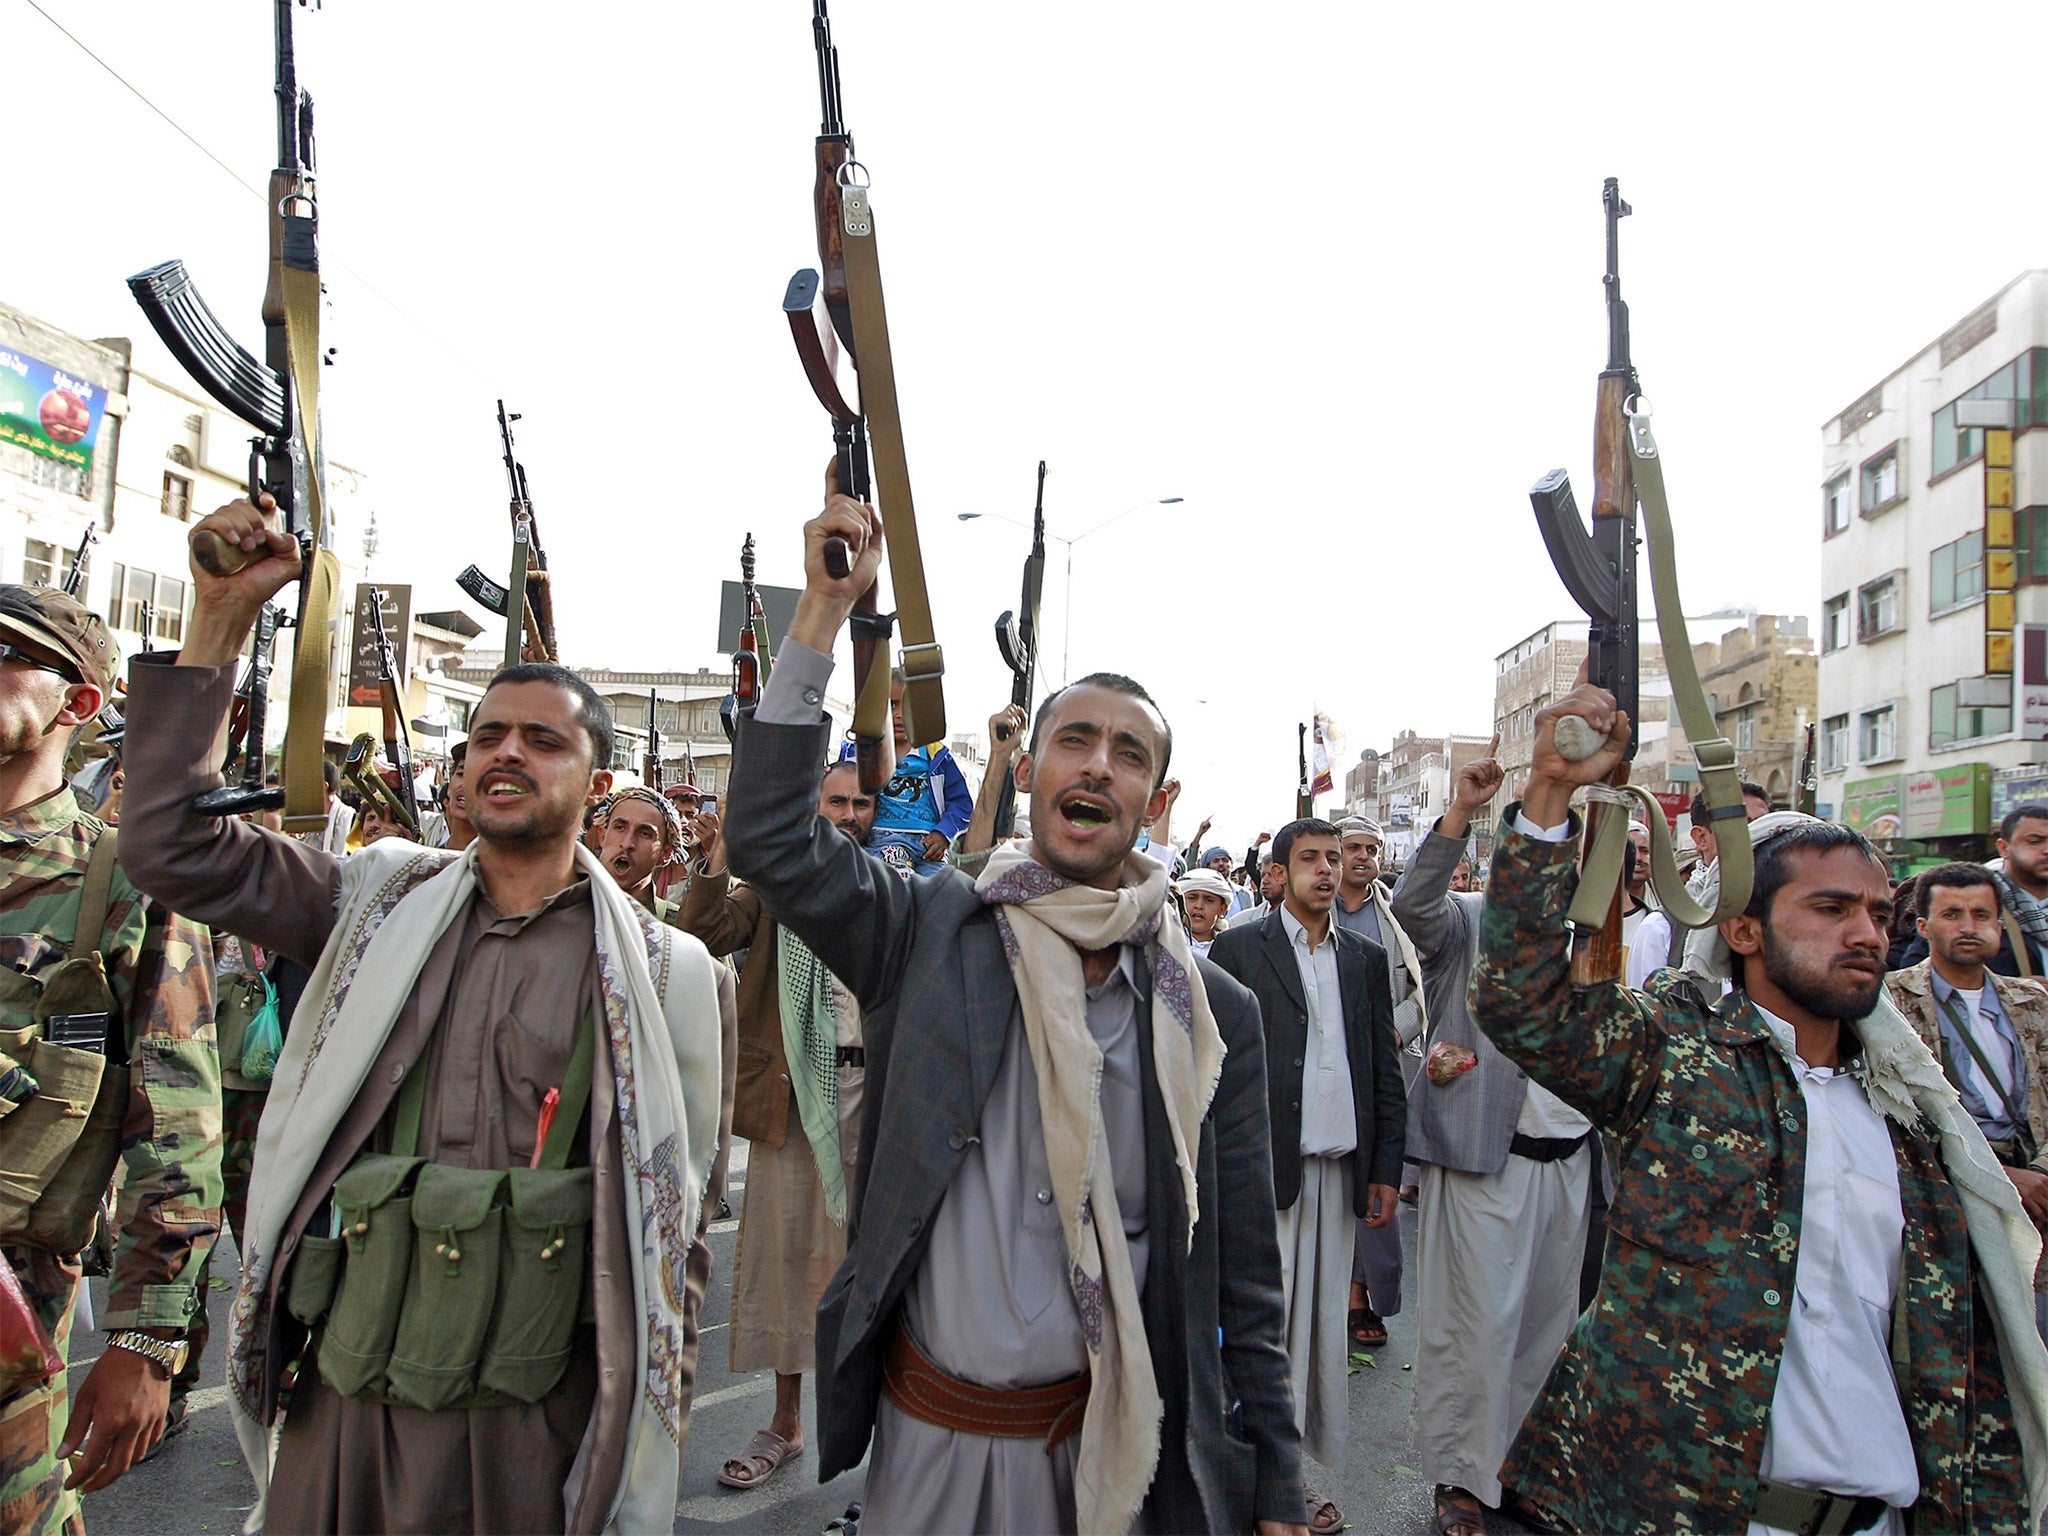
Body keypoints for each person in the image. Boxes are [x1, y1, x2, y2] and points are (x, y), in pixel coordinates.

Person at [119, 496, 724, 1534]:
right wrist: (217, 624)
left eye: (542, 740)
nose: (506, 753)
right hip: (350, 1406)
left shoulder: (668, 973)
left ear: (598, 780)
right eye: (488, 735)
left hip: (531, 1430)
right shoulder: (371, 900)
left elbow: (676, 1226)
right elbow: (171, 848)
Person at [723, 483, 1305, 1535]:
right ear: (1028, 771)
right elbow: (769, 842)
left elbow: (1240, 1273)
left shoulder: (1210, 1012)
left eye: (1129, 754)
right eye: (1074, 741)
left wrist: (1274, 1475)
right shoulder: (934, 930)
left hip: (1108, 1461)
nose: (1097, 764)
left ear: (1157, 801)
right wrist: (817, 617)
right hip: (928, 1454)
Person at [1469, 678, 2048, 1536]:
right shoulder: (1679, 1057)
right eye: (1830, 909)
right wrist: (1551, 794)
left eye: (1879, 914)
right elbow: (1525, 1004)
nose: (1866, 933)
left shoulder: (1914, 1122)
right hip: (1682, 1511)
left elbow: (1967, 1369)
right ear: (1743, 932)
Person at [0, 584, 222, 1531]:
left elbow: (177, 1131)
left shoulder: (120, 888)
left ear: (77, 704)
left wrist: (146, 1339)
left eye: (6, 655)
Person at [1389, 743, 1595, 1536]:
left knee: (1548, 1328)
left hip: (1571, 1160)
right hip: (1484, 1156)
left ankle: (1525, 1470)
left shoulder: (1599, 941)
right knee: (1472, 1331)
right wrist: (1461, 813)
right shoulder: (1472, 924)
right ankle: (1459, 1482)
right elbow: (1409, 912)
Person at [676, 763, 876, 1495]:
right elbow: (701, 932)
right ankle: (786, 1423)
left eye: (861, 802)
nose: (849, 813)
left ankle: (896, 1436)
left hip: (879, 1100)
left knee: (889, 1267)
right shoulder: (773, 887)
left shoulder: (897, 889)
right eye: (836, 800)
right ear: (810, 808)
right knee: (787, 1258)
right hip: (794, 1099)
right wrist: (718, 853)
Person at [1210, 817, 1403, 1536]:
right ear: (1280, 872)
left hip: (1338, 1173)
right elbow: (1214, 1067)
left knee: (1322, 1342)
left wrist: (1385, 1165)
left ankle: (1295, 1482)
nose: (1326, 870)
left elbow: (1382, 1067)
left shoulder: (1360, 957)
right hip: (1263, 1176)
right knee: (1262, 1335)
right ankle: (1253, 1483)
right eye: (1311, 859)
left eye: (1333, 858)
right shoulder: (1237, 948)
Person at [1886, 863, 2048, 1339]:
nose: (1969, 926)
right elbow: (1900, 1114)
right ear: (1923, 925)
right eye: (1952, 914)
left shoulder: (2032, 1003)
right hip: (1945, 1203)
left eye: (1981, 914)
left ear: (2000, 925)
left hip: (2038, 1199)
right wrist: (1997, 1178)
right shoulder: (1890, 1001)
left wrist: (2038, 1173)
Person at [1328, 814, 1426, 1351]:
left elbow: (1420, 991)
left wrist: (1394, 1034)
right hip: (1317, 1072)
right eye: (1353, 847)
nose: (1363, 857)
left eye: (1372, 848)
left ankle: (1360, 1298)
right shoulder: (1306, 913)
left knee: (1374, 1185)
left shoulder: (1396, 921)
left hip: (1375, 1074)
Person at [1624, 779, 1771, 990]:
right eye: (1743, 827)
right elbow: (1647, 1018)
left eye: (1764, 827)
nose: (1757, 838)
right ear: (1701, 838)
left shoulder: (1782, 919)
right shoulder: (1661, 930)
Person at [856, 669, 973, 876]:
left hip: (931, 846)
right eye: (891, 704)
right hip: (886, 841)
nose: (899, 714)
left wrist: (944, 833)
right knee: (898, 883)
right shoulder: (863, 751)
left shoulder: (936, 755)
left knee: (938, 889)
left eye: (909, 706)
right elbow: (839, 784)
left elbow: (962, 804)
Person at [1174, 868, 1234, 958]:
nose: (1199, 906)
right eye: (1192, 898)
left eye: (1209, 900)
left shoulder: (1230, 950)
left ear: (1223, 909)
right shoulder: (1166, 941)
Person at [438, 739, 476, 852]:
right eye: (461, 774)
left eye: (479, 777)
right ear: (449, 787)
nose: (466, 785)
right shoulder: (425, 862)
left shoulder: (510, 867)